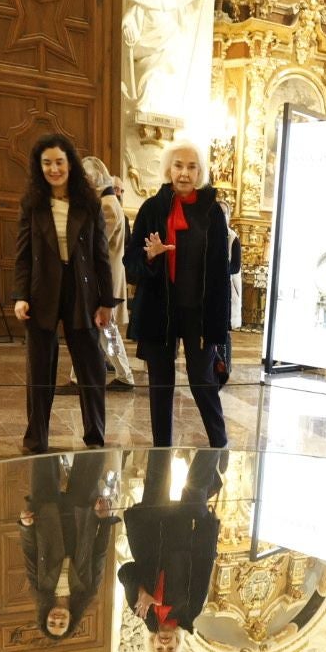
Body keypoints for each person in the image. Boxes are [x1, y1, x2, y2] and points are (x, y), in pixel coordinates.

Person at [13, 132, 117, 454]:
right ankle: (36, 438)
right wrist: (20, 295)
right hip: (41, 289)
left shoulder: (90, 203)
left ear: (70, 163)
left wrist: (106, 302)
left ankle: (95, 435)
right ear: (39, 166)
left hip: (81, 289)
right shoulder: (32, 204)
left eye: (59, 161)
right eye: (47, 163)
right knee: (39, 368)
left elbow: (102, 256)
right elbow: (22, 253)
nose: (54, 169)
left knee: (91, 366)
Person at [124, 142, 232, 448]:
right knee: (160, 385)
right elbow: (130, 263)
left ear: (200, 172)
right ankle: (161, 452)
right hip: (159, 310)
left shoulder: (212, 212)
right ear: (168, 169)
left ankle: (219, 444)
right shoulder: (151, 209)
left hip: (199, 314)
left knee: (203, 382)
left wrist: (219, 328)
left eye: (192, 166)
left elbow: (221, 276)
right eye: (178, 165)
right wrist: (150, 256)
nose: (184, 173)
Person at [118, 448, 224, 652]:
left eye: (159, 649)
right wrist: (207, 530)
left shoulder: (142, 612)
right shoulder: (189, 613)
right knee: (197, 484)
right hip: (186, 532)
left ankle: (162, 425)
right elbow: (202, 570)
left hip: (152, 528)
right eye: (170, 650)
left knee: (158, 473)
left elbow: (125, 571)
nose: (165, 646)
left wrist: (140, 591)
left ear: (152, 642)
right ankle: (213, 439)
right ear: (177, 643)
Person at [19, 451, 118, 640]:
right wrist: (104, 521)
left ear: (44, 618)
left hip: (46, 516)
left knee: (43, 452)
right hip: (81, 518)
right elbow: (99, 553)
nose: (57, 619)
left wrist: (25, 526)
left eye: (51, 623)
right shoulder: (87, 590)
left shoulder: (40, 589)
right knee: (93, 453)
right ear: (71, 619)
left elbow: (30, 552)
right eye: (61, 624)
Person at [81, 154, 135, 391]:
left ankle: (125, 375)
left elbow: (97, 245)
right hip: (103, 279)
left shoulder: (107, 206)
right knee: (96, 329)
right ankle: (81, 376)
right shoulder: (107, 203)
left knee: (106, 329)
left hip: (104, 280)